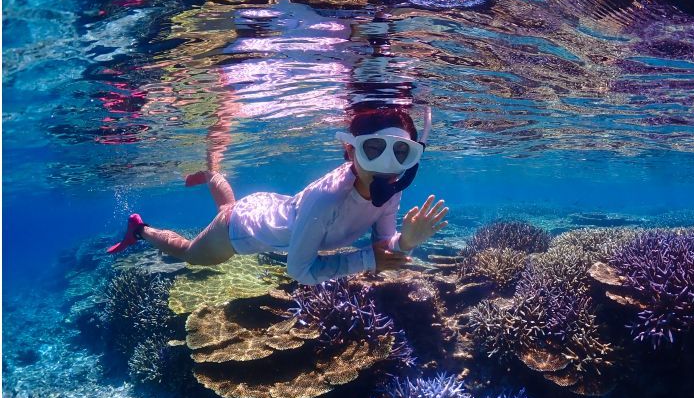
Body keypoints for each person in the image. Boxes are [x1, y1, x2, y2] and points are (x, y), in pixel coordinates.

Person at [106, 106, 448, 286]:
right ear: (350, 151)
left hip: (267, 208)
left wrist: (406, 242)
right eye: (374, 150)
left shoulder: (389, 189)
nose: (389, 168)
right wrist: (368, 260)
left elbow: (385, 247)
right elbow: (299, 271)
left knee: (228, 204)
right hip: (240, 229)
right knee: (191, 254)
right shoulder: (326, 200)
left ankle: (212, 171)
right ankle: (139, 229)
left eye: (402, 154)